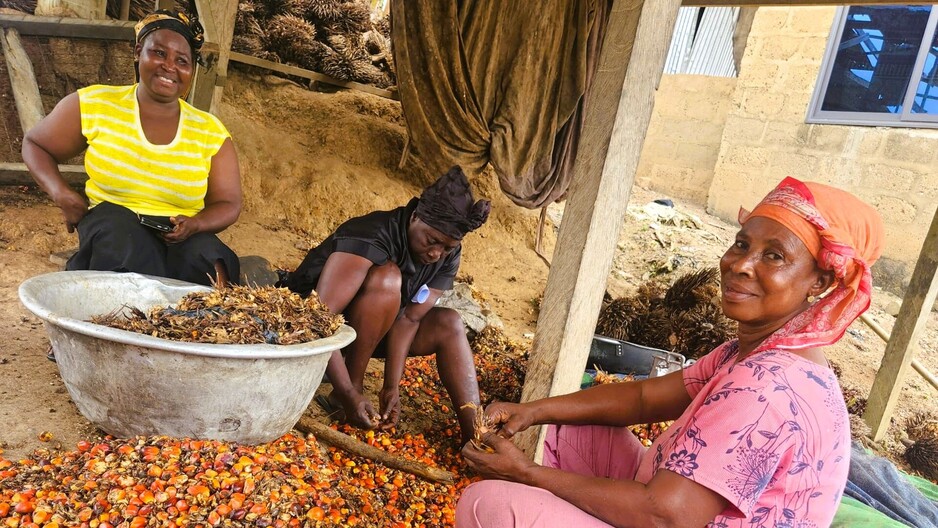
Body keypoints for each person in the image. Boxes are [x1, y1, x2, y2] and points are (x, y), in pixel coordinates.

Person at [457, 176, 885, 528]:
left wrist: (527, 474)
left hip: (667, 513)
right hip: (666, 499)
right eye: (741, 244)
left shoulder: (768, 388)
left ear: (818, 283)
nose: (741, 264)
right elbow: (642, 398)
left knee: (487, 504)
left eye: (774, 256)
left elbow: (666, 515)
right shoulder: (750, 352)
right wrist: (533, 410)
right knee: (569, 427)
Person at [22, 9, 242, 287]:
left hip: (180, 233)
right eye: (159, 53)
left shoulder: (209, 131)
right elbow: (35, 145)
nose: (169, 66)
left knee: (210, 260)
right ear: (139, 52)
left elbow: (229, 203)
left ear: (191, 71)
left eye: (182, 60)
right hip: (114, 227)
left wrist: (195, 224)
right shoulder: (97, 104)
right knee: (123, 241)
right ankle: (121, 322)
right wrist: (62, 194)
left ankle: (199, 327)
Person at [280, 166, 490, 444]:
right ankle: (345, 389)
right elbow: (318, 319)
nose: (436, 252)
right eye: (432, 240)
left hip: (369, 330)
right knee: (388, 280)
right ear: (415, 216)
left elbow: (410, 320)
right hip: (306, 330)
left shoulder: (446, 253)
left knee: (449, 323)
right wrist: (348, 392)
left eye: (447, 248)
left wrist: (391, 387)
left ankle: (477, 437)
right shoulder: (373, 233)